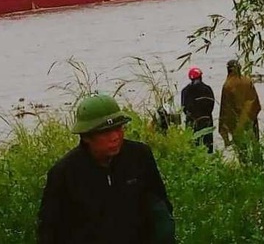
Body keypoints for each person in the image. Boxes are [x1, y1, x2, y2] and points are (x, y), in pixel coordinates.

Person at [37, 93, 174, 244]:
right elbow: (49, 231)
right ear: (86, 137)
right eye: (106, 132)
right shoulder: (64, 173)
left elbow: (160, 207)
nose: (115, 137)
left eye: (119, 128)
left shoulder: (140, 156)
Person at [219, 59, 262, 147]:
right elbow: (256, 103)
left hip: (237, 125)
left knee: (243, 154)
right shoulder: (248, 81)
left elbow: (225, 110)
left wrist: (225, 134)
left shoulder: (228, 85)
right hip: (251, 120)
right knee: (255, 148)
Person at [181, 66, 215, 153]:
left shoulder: (185, 91)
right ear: (201, 76)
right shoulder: (207, 89)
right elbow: (211, 105)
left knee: (193, 146)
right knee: (208, 146)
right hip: (206, 120)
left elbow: (184, 108)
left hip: (191, 122)